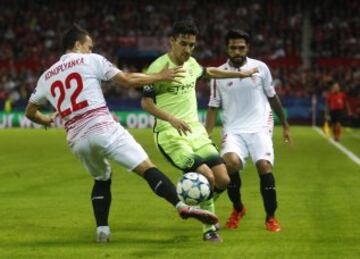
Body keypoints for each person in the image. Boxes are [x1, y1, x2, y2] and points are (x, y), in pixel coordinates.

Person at [25, 24, 219, 243]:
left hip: (77, 140)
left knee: (102, 177)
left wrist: (46, 119)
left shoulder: (46, 76)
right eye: (89, 46)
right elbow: (127, 80)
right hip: (103, 128)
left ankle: (102, 231)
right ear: (77, 45)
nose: (91, 50)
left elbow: (30, 111)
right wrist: (159, 76)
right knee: (147, 168)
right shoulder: (91, 60)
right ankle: (182, 206)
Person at [141, 21, 258, 242]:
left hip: (196, 132)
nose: (188, 50)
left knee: (223, 179)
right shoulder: (158, 67)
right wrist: (171, 118)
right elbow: (146, 104)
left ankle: (193, 205)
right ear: (172, 41)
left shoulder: (192, 64)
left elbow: (209, 72)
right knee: (207, 175)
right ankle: (209, 229)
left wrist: (241, 75)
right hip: (170, 133)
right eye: (183, 44)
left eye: (192, 45)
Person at [205, 29, 292, 232]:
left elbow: (272, 97)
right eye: (233, 47)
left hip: (260, 127)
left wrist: (285, 126)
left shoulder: (260, 68)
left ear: (247, 48)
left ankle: (270, 217)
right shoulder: (218, 74)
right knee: (231, 164)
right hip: (233, 129)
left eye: (241, 47)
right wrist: (206, 134)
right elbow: (212, 106)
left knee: (264, 166)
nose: (237, 51)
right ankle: (238, 208)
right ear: (227, 48)